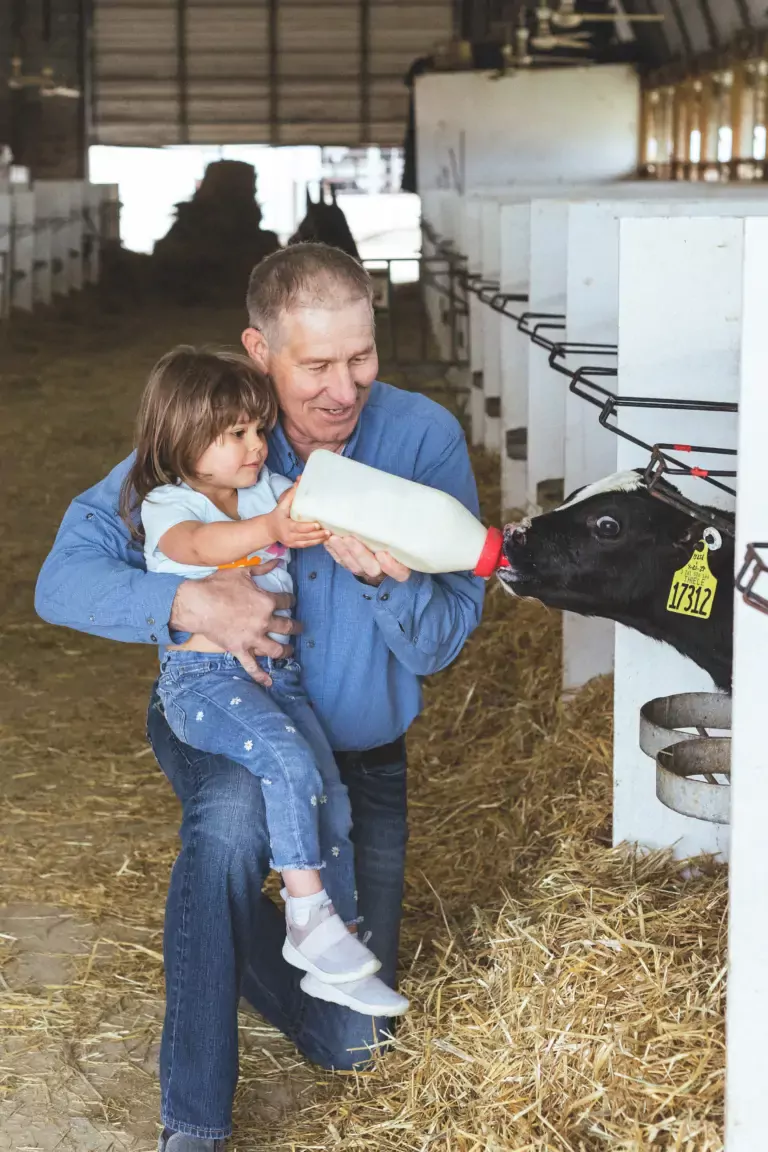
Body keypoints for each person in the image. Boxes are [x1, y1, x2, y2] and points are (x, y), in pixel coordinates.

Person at [35, 243, 485, 1151]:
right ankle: (193, 1122)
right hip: (229, 719)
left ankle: (241, 932)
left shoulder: (421, 439)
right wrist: (184, 600)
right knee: (229, 829)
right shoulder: (216, 432)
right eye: (313, 365)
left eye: (360, 358)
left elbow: (442, 641)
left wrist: (381, 579)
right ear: (258, 351)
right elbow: (62, 578)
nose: (341, 390)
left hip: (360, 748)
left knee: (353, 1048)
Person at [123, 345, 409, 1018]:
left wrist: (366, 521)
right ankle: (307, 919)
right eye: (237, 435)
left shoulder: (266, 487)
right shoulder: (170, 502)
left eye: (259, 430)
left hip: (280, 678)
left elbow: (320, 503)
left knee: (331, 797)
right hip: (203, 680)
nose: (256, 447)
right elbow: (197, 547)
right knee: (286, 764)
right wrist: (273, 526)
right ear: (184, 439)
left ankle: (334, 952)